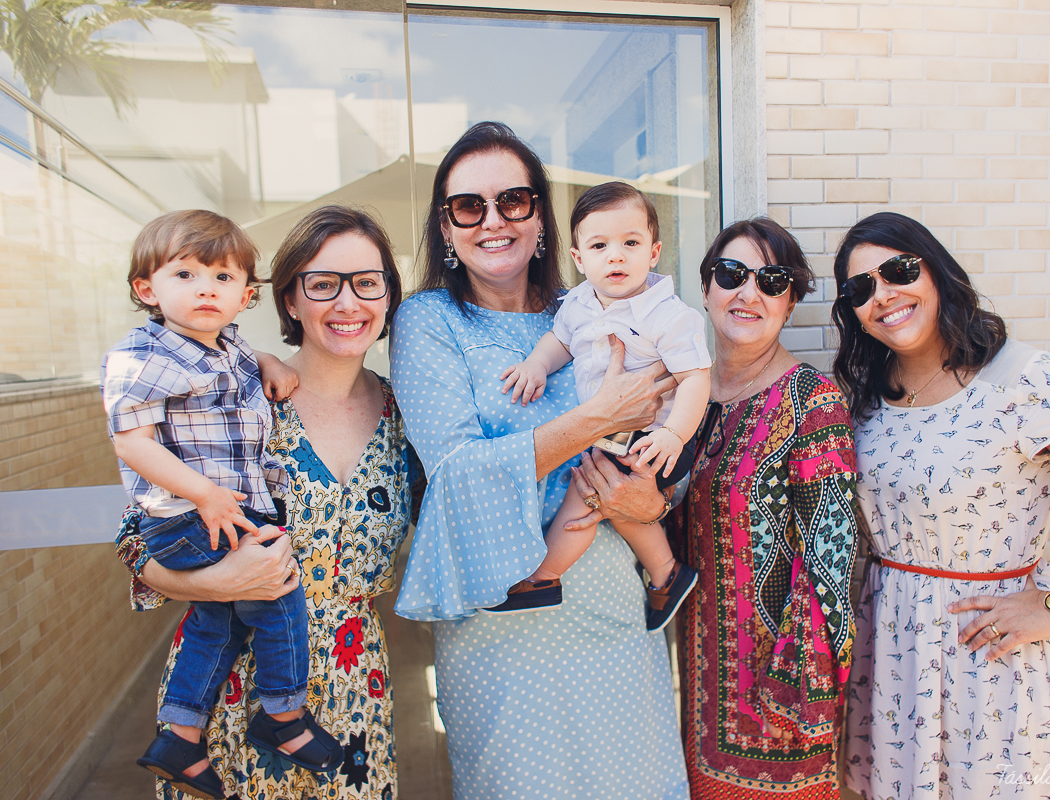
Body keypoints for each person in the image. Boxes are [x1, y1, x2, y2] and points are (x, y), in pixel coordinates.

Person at [834, 212, 1050, 799]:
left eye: (898, 270)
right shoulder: (867, 395)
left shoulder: (1021, 379)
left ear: (937, 272)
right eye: (860, 288)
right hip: (895, 658)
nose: (883, 295)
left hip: (994, 657)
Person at [390, 121, 688, 799]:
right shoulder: (429, 321)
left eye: (513, 201)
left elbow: (666, 428)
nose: (493, 221)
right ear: (446, 228)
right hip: (503, 626)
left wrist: (657, 502)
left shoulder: (596, 309)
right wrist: (596, 420)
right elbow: (459, 472)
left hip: (615, 610)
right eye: (469, 207)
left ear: (541, 219)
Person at [115, 205, 419, 800]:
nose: (348, 302)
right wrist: (216, 583)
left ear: (387, 296)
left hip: (356, 686)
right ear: (288, 300)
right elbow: (134, 538)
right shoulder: (233, 397)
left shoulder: (407, 416)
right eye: (323, 283)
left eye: (367, 282)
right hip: (233, 684)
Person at [666, 217, 858, 799]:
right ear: (705, 291)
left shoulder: (811, 403)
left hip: (772, 701)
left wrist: (797, 692)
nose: (749, 293)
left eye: (772, 281)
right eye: (731, 274)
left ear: (791, 302)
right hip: (687, 685)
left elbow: (833, 564)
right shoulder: (680, 401)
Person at [498, 181, 709, 628]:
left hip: (658, 436)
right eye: (600, 245)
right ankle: (667, 574)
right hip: (611, 434)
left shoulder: (669, 315)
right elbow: (560, 341)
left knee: (590, 495)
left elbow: (695, 378)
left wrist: (674, 434)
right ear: (579, 259)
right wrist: (537, 364)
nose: (616, 255)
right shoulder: (578, 303)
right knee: (606, 498)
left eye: (630, 243)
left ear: (653, 252)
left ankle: (546, 576)